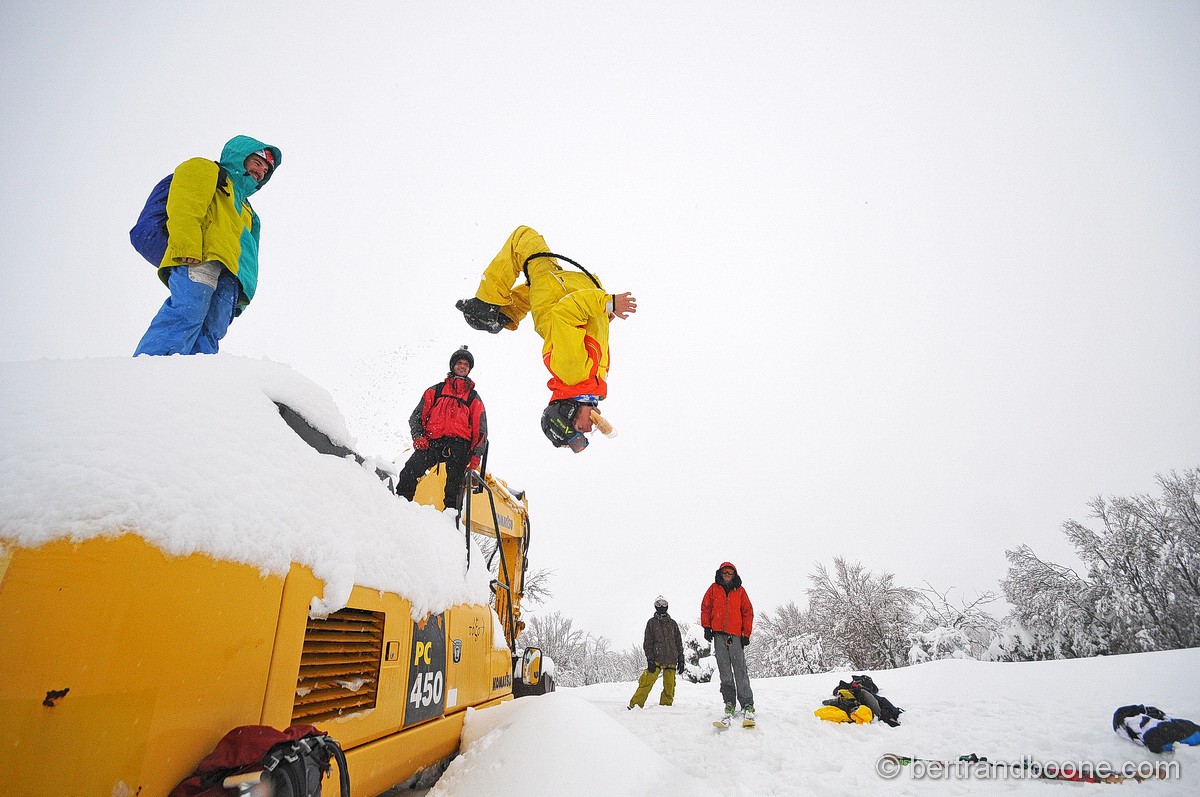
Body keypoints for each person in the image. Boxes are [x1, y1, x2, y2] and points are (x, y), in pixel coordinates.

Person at [454, 226, 637, 453]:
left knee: (523, 238)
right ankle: (504, 315)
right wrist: (603, 316)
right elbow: (588, 332)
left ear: (567, 414)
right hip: (563, 292)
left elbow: (566, 312)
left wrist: (608, 303)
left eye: (580, 429)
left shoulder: (573, 371)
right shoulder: (591, 380)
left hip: (558, 289)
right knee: (535, 286)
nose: (590, 429)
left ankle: (485, 301)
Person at [134, 135, 282, 356]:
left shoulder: (250, 212)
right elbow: (185, 206)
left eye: (265, 170)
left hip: (232, 277)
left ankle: (197, 381)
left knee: (212, 332)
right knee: (187, 313)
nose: (261, 172)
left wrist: (243, 293)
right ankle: (153, 370)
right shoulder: (206, 170)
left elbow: (251, 252)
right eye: (257, 162)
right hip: (201, 258)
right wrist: (187, 246)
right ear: (240, 156)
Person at [394, 347, 488, 512]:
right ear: (453, 366)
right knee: (410, 470)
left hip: (460, 446)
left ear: (469, 369)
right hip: (431, 442)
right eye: (459, 363)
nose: (462, 366)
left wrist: (476, 455)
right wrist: (419, 437)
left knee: (455, 485)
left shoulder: (473, 398)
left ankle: (451, 519)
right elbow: (416, 417)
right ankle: (399, 506)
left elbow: (480, 431)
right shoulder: (435, 391)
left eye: (466, 364)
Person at [700, 561, 755, 727]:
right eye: (725, 572)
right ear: (721, 573)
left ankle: (747, 704)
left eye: (730, 572)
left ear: (734, 574)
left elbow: (748, 612)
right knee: (725, 671)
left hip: (736, 636)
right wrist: (707, 627)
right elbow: (705, 608)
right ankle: (729, 703)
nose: (727, 574)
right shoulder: (713, 589)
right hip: (718, 636)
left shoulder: (740, 591)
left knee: (740, 670)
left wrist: (746, 633)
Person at [628, 596, 686, 710]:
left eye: (664, 604)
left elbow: (678, 643)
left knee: (670, 686)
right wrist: (650, 659)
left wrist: (681, 660)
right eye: (659, 604)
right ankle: (635, 705)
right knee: (646, 683)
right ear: (655, 606)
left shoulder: (673, 624)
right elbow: (648, 643)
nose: (661, 606)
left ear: (667, 605)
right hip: (656, 659)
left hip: (671, 659)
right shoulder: (652, 623)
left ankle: (665, 707)